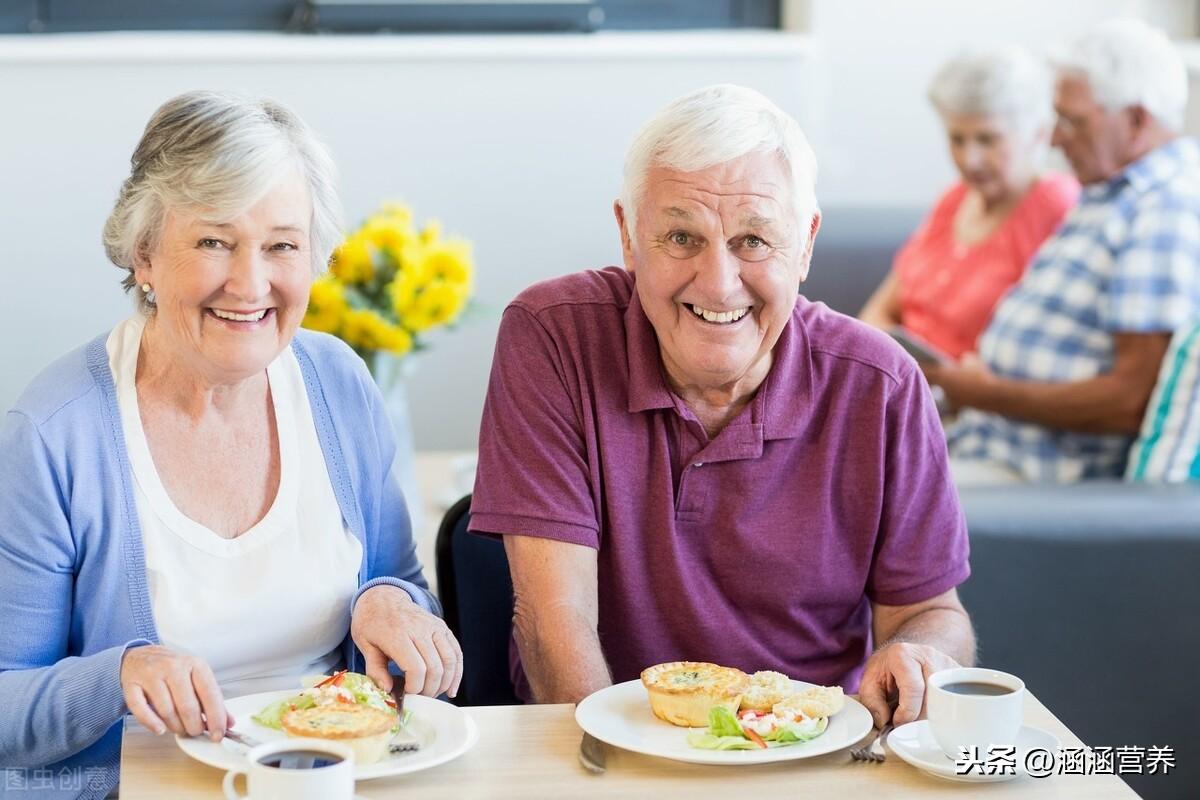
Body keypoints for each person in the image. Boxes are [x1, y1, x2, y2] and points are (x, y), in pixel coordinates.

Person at [470, 84, 975, 730]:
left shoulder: (882, 386)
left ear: (805, 245)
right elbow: (554, 620)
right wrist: (617, 769)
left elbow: (930, 612)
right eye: (681, 237)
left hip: (809, 749)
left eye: (753, 241)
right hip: (607, 744)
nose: (717, 282)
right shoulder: (552, 337)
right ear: (629, 236)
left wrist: (921, 655)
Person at [0, 91, 462, 798]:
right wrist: (118, 674)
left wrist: (389, 603)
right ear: (144, 254)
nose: (250, 284)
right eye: (214, 241)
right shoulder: (55, 433)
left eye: (282, 245)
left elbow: (402, 596)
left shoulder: (339, 382)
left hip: (337, 779)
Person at [926, 20, 1200, 484]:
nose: (1053, 138)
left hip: (1033, 474)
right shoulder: (1113, 192)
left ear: (1135, 120)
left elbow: (1130, 401)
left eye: (1072, 120)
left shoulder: (1165, 210)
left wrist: (986, 393)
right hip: (986, 439)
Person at [860, 47, 1079, 359]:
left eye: (987, 139)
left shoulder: (1059, 206)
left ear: (1038, 134)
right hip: (903, 382)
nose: (969, 160)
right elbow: (878, 310)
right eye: (957, 139)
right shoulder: (955, 198)